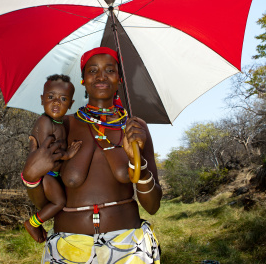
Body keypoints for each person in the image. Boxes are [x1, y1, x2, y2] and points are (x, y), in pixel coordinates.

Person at [22, 47, 162, 263]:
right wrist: (31, 178)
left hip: (129, 247)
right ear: (83, 80)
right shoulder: (61, 125)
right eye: (92, 70)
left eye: (110, 70)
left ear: (120, 78)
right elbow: (44, 201)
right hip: (68, 247)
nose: (101, 76)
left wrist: (138, 161)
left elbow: (152, 206)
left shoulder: (136, 128)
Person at [21, 74, 81, 243]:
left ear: (70, 104)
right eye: (50, 97)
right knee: (59, 202)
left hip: (53, 175)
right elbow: (47, 154)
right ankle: (33, 223)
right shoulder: (45, 122)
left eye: (63, 98)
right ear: (42, 99)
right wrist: (67, 154)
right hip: (45, 175)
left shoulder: (60, 123)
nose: (56, 102)